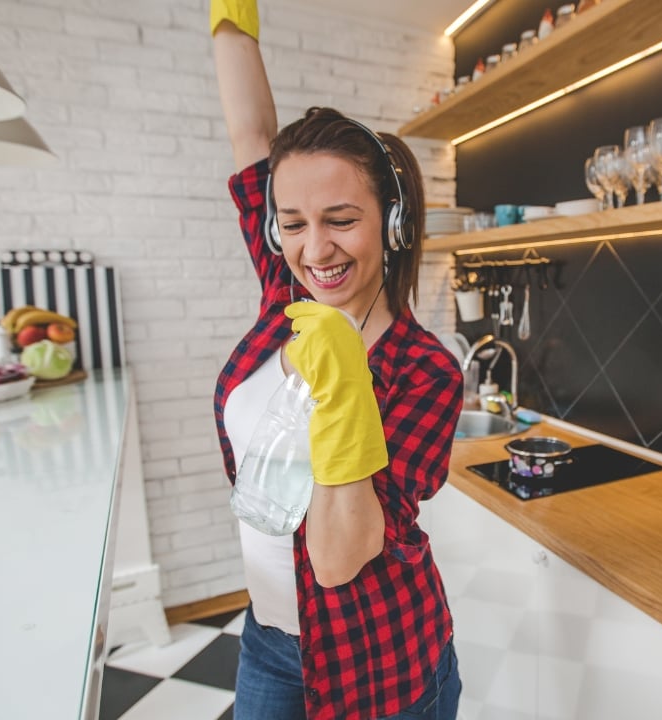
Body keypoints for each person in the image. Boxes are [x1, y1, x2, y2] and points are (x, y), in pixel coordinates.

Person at [209, 2, 464, 720]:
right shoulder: (282, 296)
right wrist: (231, 16)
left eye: (342, 220)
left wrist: (347, 379)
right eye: (293, 223)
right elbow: (251, 131)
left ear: (392, 223)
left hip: (381, 659)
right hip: (266, 642)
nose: (315, 249)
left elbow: (337, 558)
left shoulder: (424, 373)